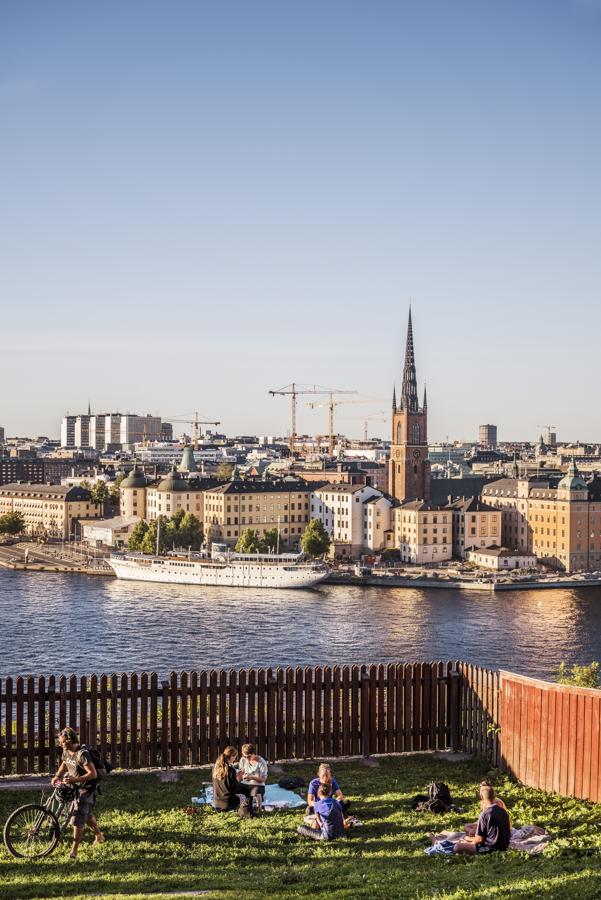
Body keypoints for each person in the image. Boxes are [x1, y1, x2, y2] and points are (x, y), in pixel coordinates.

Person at [52, 727, 105, 859]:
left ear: (69, 741)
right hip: (74, 785)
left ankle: (74, 851)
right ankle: (99, 835)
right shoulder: (66, 751)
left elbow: (92, 774)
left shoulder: (82, 754)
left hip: (86, 788)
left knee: (76, 818)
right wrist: (57, 776)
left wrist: (75, 779)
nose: (60, 744)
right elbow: (64, 763)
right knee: (85, 814)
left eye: (62, 742)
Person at [453, 786, 511, 855]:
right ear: (494, 796)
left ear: (482, 798)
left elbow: (479, 840)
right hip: (505, 846)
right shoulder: (503, 811)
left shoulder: (485, 814)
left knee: (457, 847)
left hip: (491, 848)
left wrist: (467, 838)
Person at [212, 746, 253, 815]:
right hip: (228, 803)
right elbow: (235, 789)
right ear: (231, 756)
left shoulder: (215, 768)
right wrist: (239, 778)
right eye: (235, 757)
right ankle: (240, 811)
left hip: (216, 802)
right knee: (244, 795)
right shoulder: (231, 770)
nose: (235, 759)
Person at [237, 743, 267, 811]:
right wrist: (241, 776)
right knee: (235, 788)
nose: (247, 758)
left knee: (255, 793)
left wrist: (252, 777)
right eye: (245, 756)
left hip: (257, 784)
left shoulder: (261, 762)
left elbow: (263, 779)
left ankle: (254, 799)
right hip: (245, 784)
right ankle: (246, 799)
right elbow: (241, 773)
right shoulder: (243, 760)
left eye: (249, 756)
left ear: (254, 753)